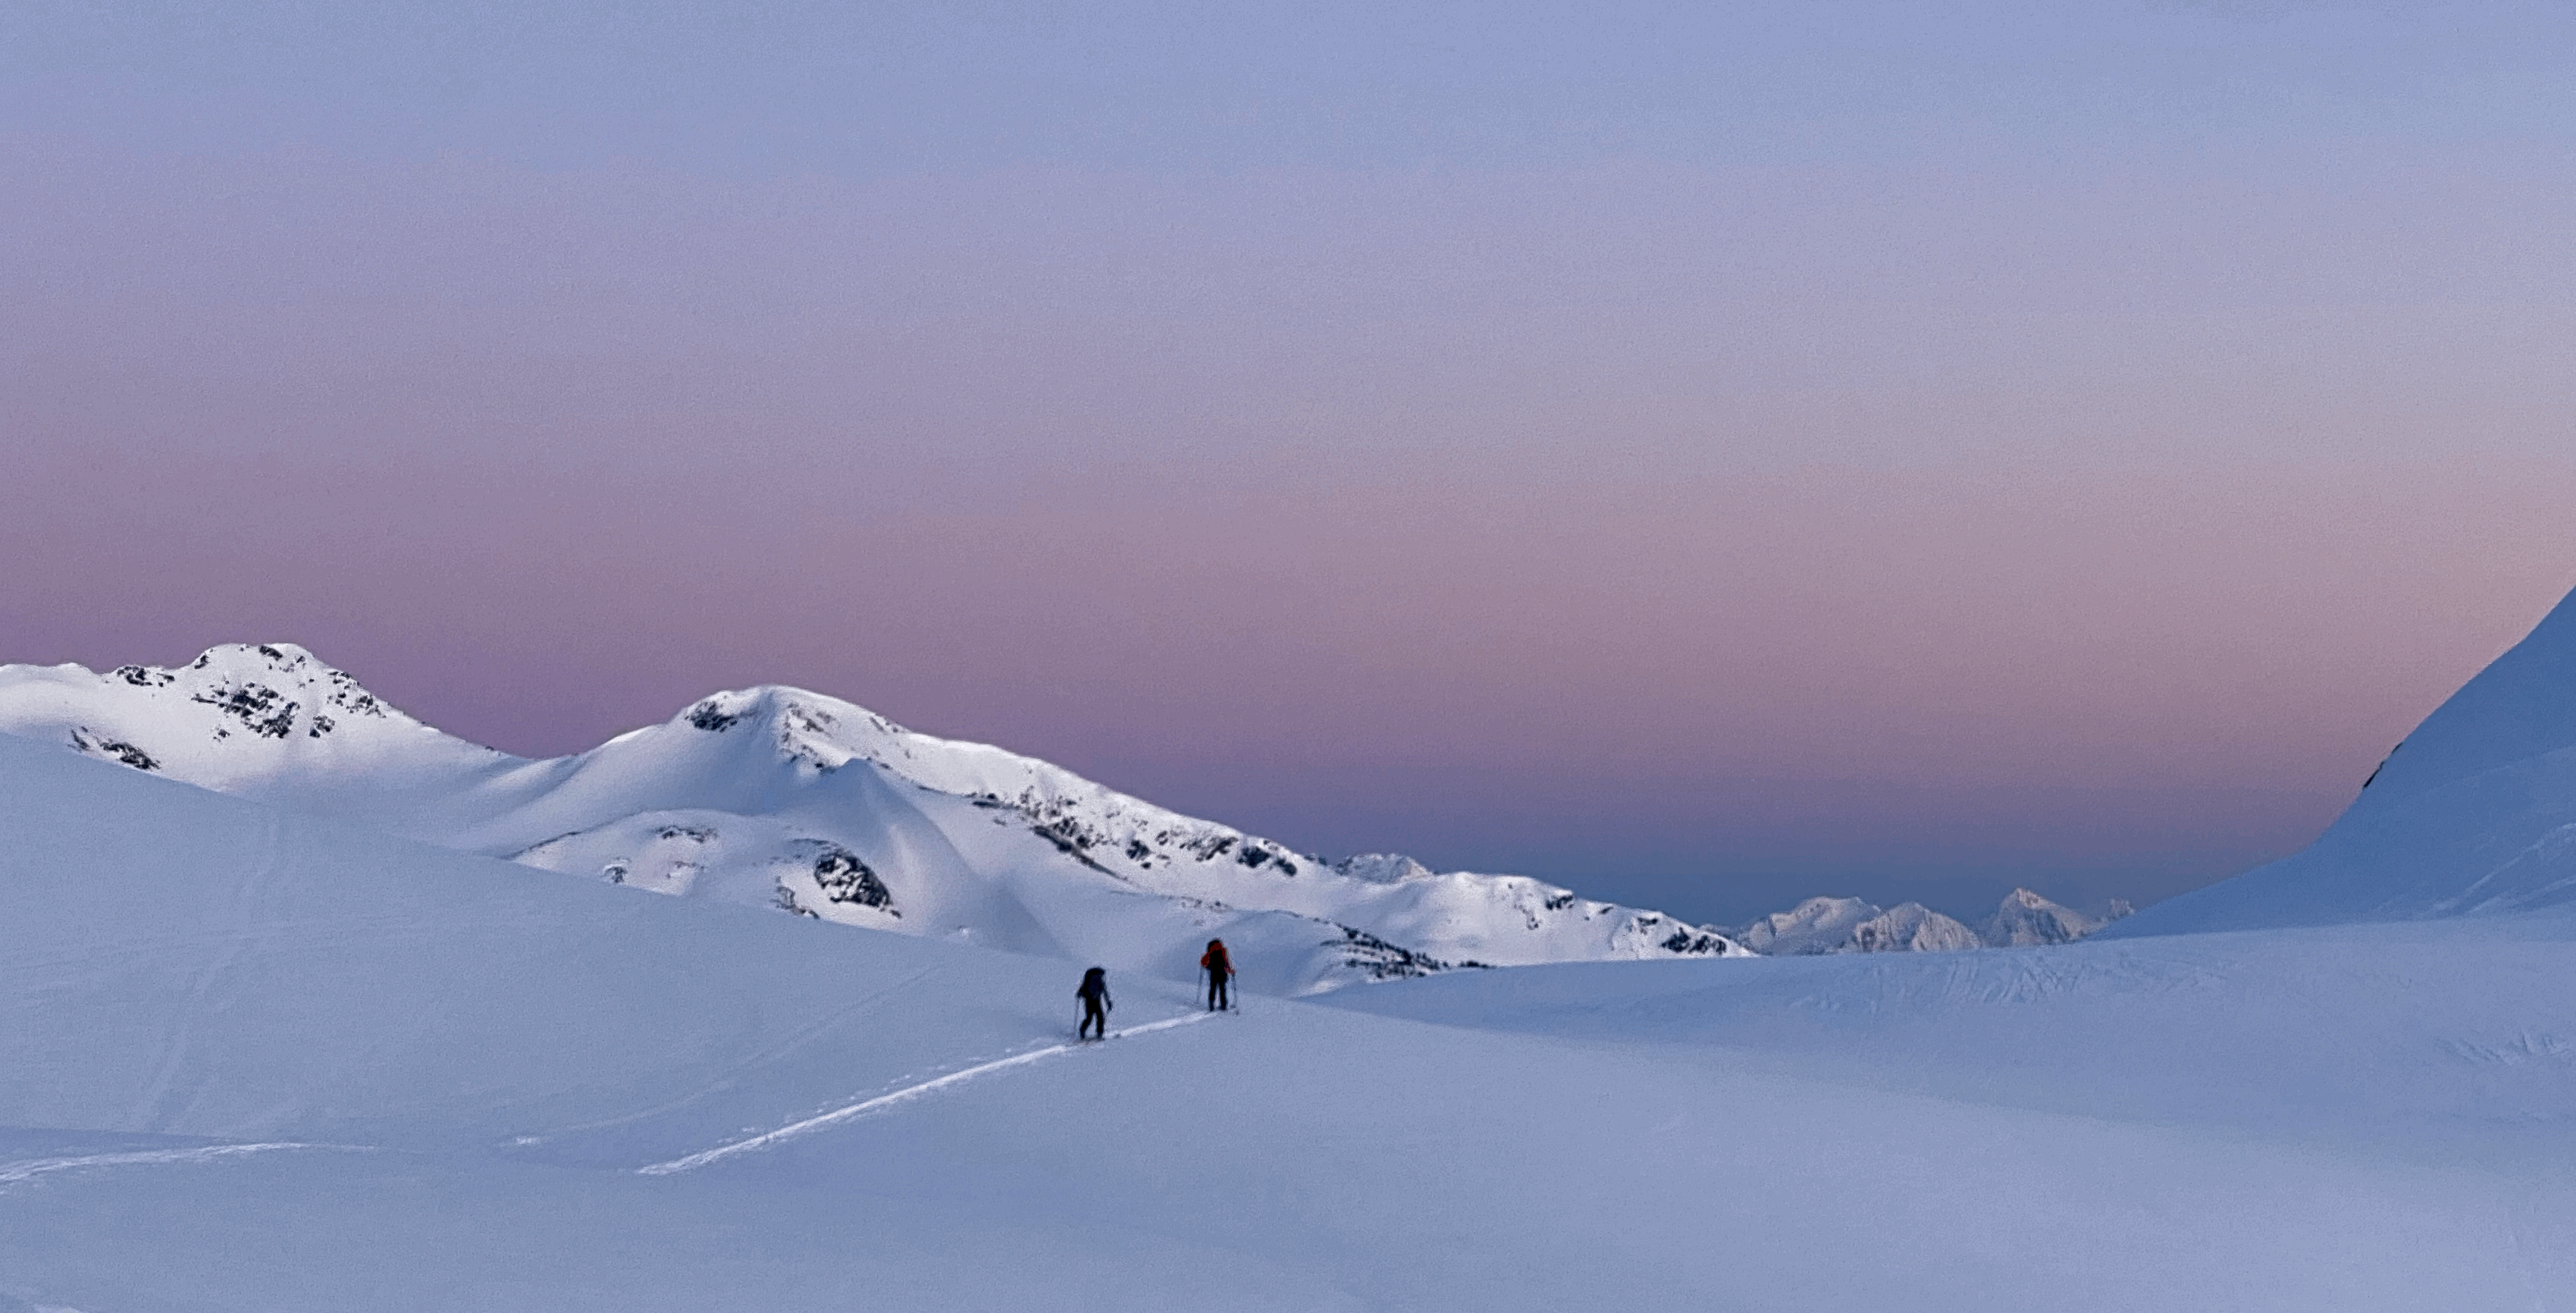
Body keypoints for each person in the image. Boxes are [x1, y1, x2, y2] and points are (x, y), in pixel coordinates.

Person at [1076, 966, 1112, 1040]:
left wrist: (1079, 994)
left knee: (1089, 1017)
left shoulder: (1087, 980)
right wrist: (1108, 1002)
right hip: (1096, 1001)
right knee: (1100, 1017)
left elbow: (1081, 990)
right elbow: (1105, 992)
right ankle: (1099, 1034)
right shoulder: (1100, 981)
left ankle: (1082, 1032)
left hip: (1088, 1001)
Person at [1199, 938, 1235, 1011]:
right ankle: (1223, 1005)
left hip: (1213, 973)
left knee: (1213, 989)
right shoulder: (1223, 950)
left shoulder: (1210, 951)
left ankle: (1211, 1006)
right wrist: (1231, 971)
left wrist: (1206, 966)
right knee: (1222, 989)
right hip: (1223, 973)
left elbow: (1203, 962)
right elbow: (1227, 962)